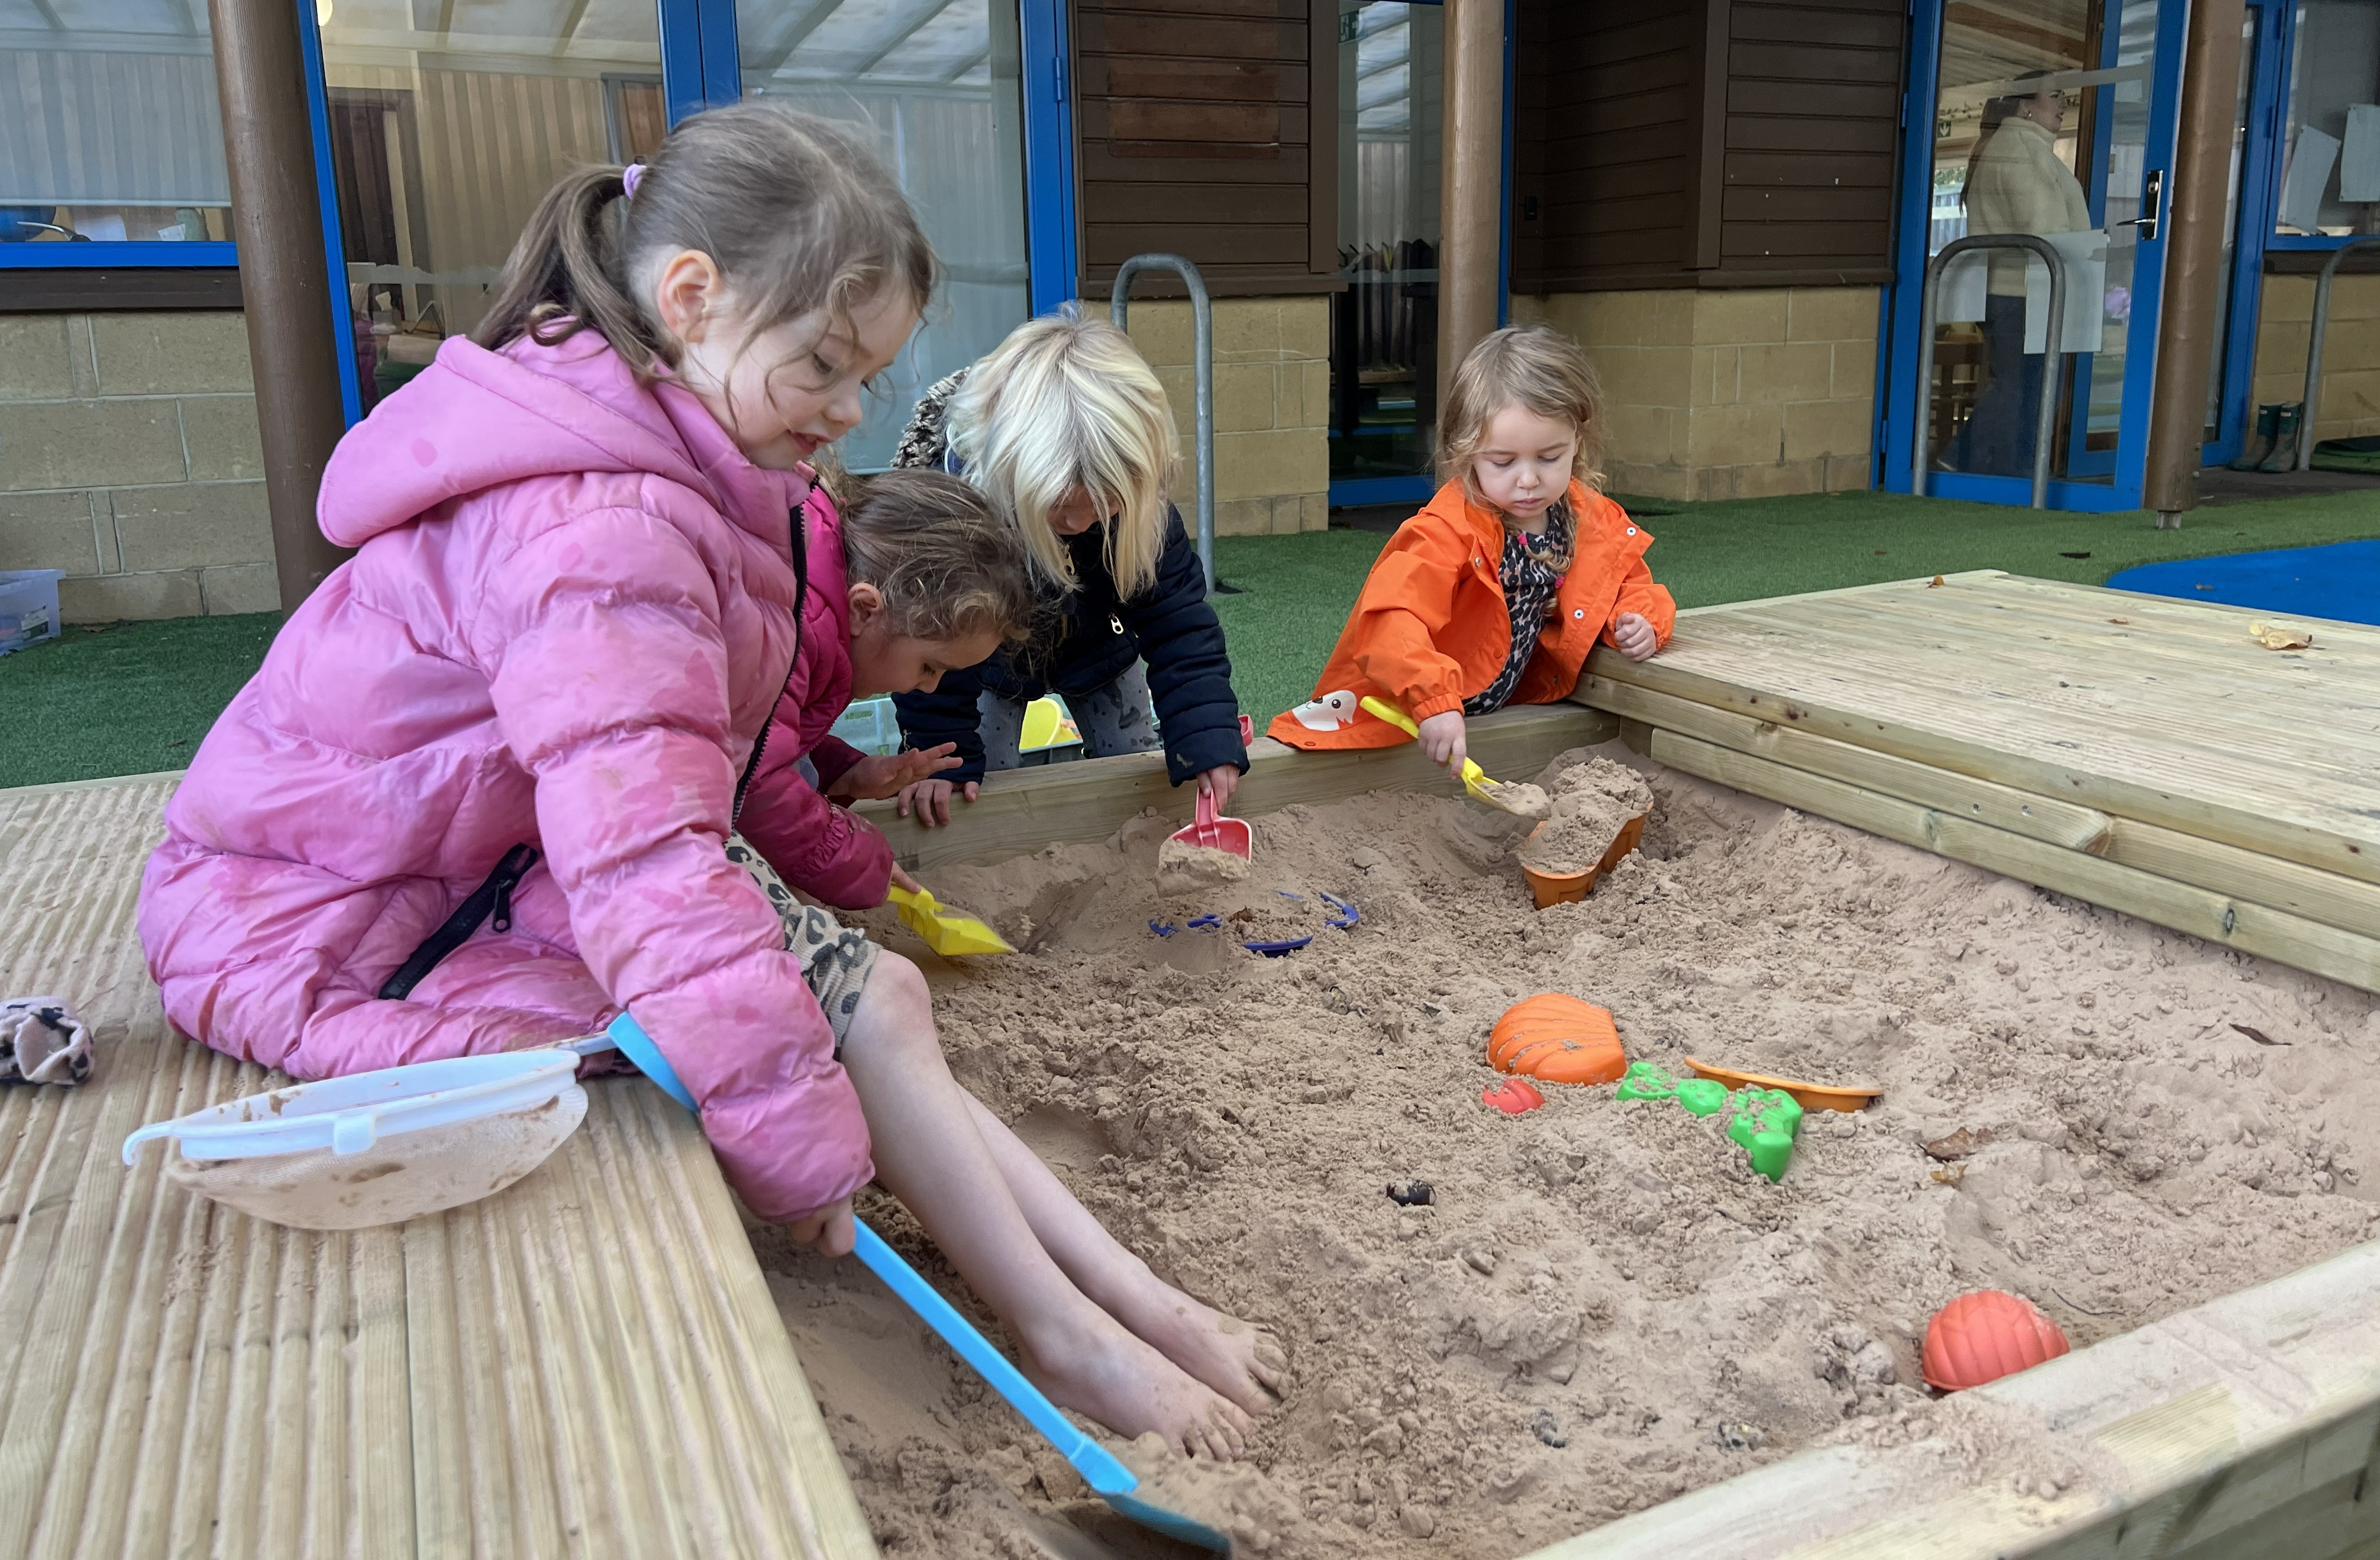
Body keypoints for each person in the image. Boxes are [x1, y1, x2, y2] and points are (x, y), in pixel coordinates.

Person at [137, 104, 1280, 1458]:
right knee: (852, 1019)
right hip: (341, 927)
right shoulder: (600, 525)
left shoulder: (701, 462)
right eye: (827, 367)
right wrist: (795, 1141)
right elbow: (647, 859)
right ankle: (1073, 1334)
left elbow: (692, 761)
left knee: (882, 999)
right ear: (691, 300)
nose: (849, 414)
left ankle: (1121, 1301)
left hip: (490, 859)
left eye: (869, 377)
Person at [886, 309, 1247, 826]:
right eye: (1058, 506)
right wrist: (940, 753)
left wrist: (1206, 737)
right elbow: (933, 641)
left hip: (1097, 643)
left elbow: (1179, 624)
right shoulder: (957, 513)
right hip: (982, 656)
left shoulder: (1143, 512)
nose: (1077, 523)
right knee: (973, 786)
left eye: (1101, 506)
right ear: (1011, 471)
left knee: (1135, 763)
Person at [1268, 325, 1674, 770]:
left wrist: (1642, 621)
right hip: (1409, 716)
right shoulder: (1446, 532)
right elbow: (1390, 620)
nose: (1528, 479)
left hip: (1507, 707)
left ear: (1578, 440)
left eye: (1549, 457)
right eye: (1503, 462)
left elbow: (1629, 583)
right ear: (1467, 453)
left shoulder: (1587, 519)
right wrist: (1433, 698)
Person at [1957, 87, 2090, 477]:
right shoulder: (2023, 151)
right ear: (2025, 107)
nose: (2064, 104)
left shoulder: (2013, 147)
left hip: (2014, 288)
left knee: (2018, 388)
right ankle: (1987, 466)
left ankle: (1986, 466)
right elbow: (2045, 228)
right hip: (2026, 290)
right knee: (2027, 391)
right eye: (2055, 94)